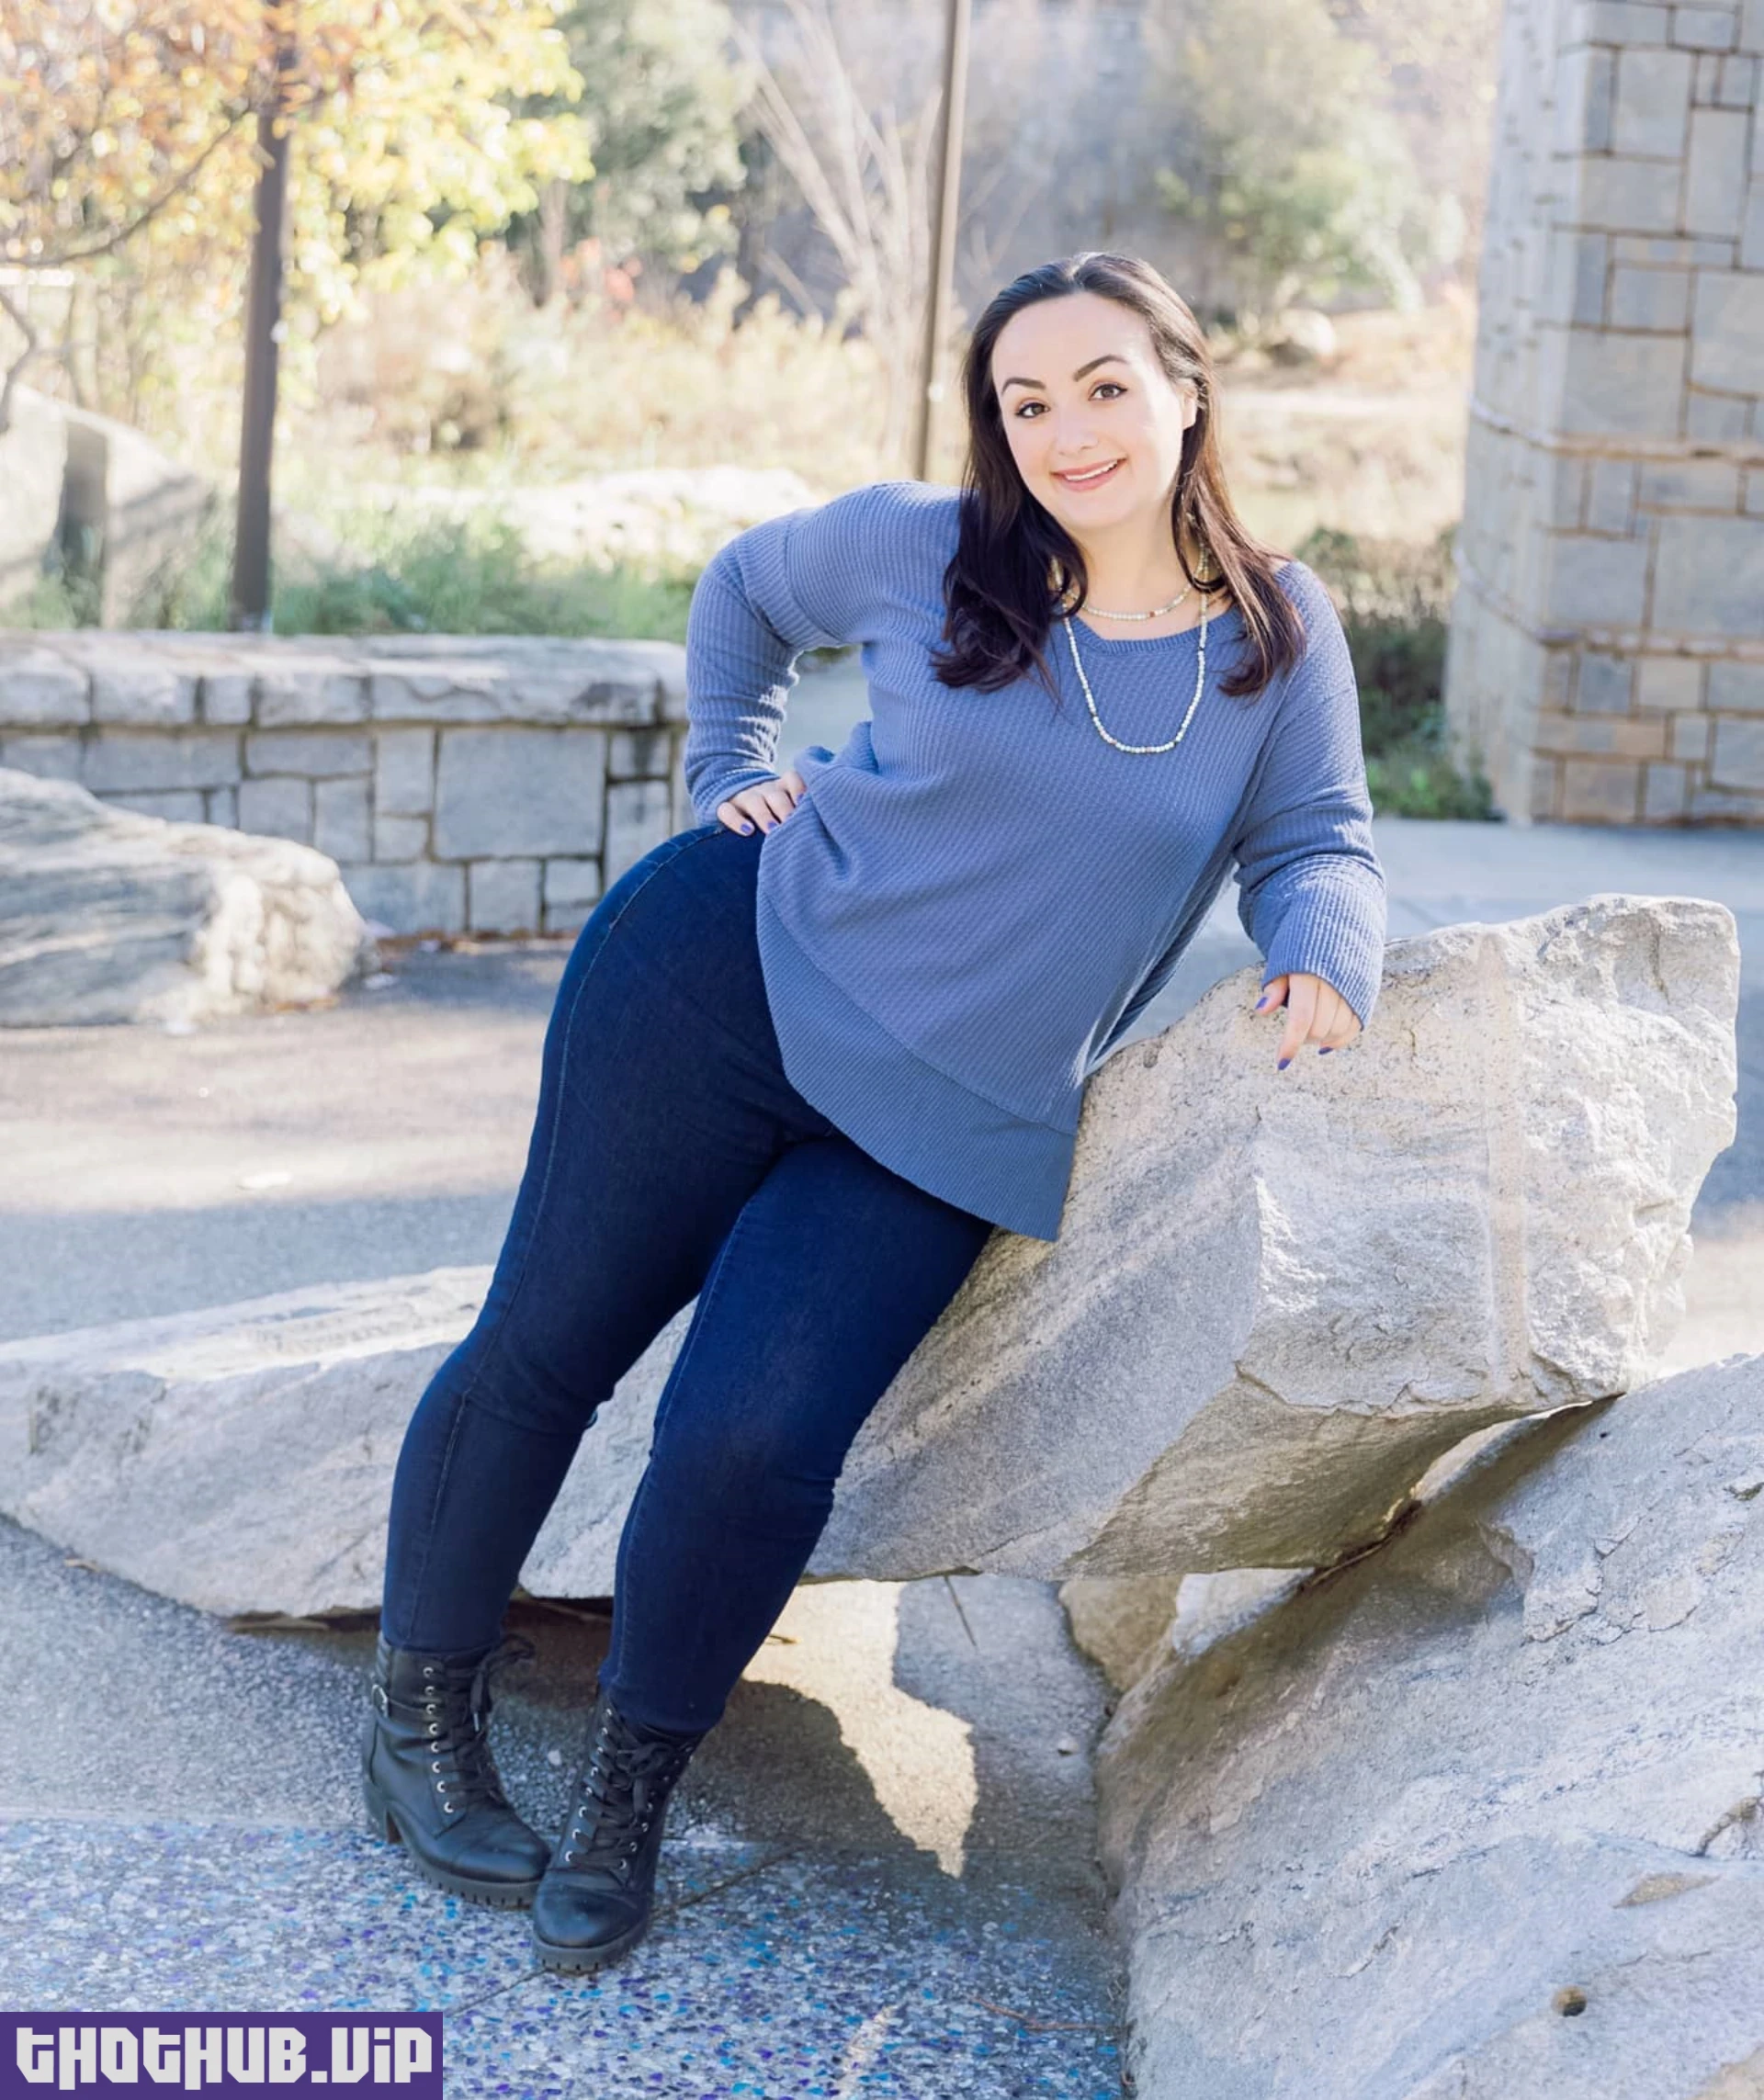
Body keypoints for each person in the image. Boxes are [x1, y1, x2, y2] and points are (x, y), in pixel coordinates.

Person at [361, 250, 1388, 1974]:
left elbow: (1319, 837)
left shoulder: (1277, 638)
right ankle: (416, 1731)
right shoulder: (930, 547)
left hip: (948, 1119)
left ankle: (627, 1796)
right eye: (1026, 401)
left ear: (1187, 389)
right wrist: (725, 766)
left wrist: (1323, 952)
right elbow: (742, 591)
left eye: (1105, 386)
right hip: (720, 975)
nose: (1068, 431)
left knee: (750, 1445)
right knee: (547, 1343)